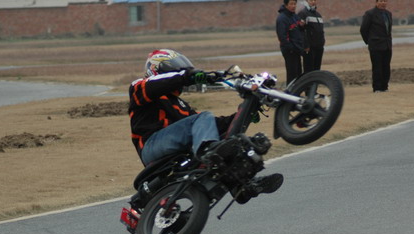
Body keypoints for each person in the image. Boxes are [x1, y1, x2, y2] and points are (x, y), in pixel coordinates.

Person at [128, 49, 283, 203]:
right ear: (156, 69)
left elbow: (211, 126)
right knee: (204, 121)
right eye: (175, 69)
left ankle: (243, 186)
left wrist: (244, 114)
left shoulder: (180, 104)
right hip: (151, 146)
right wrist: (188, 76)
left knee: (227, 139)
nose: (179, 72)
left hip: (175, 149)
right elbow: (160, 84)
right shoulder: (139, 88)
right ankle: (208, 151)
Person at [360, 0, 393, 93]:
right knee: (377, 67)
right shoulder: (370, 14)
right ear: (376, 2)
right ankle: (377, 87)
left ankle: (385, 86)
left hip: (387, 45)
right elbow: (363, 29)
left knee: (386, 67)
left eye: (385, 1)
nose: (383, 3)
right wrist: (369, 41)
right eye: (381, 1)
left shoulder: (388, 14)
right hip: (375, 45)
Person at [276, 0, 306, 85]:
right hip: (290, 50)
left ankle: (297, 92)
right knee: (292, 75)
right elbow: (282, 37)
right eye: (291, 4)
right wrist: (291, 48)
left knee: (298, 73)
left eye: (295, 4)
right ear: (286, 5)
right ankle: (290, 92)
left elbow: (299, 30)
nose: (293, 6)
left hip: (297, 49)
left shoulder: (294, 16)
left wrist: (302, 26)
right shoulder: (282, 18)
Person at [298, 0, 325, 73]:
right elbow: (301, 31)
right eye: (311, 0)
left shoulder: (318, 15)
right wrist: (305, 45)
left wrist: (322, 42)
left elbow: (320, 31)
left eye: (314, 0)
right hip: (309, 48)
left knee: (317, 70)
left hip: (319, 47)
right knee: (309, 71)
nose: (313, 2)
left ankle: (315, 81)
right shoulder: (303, 13)